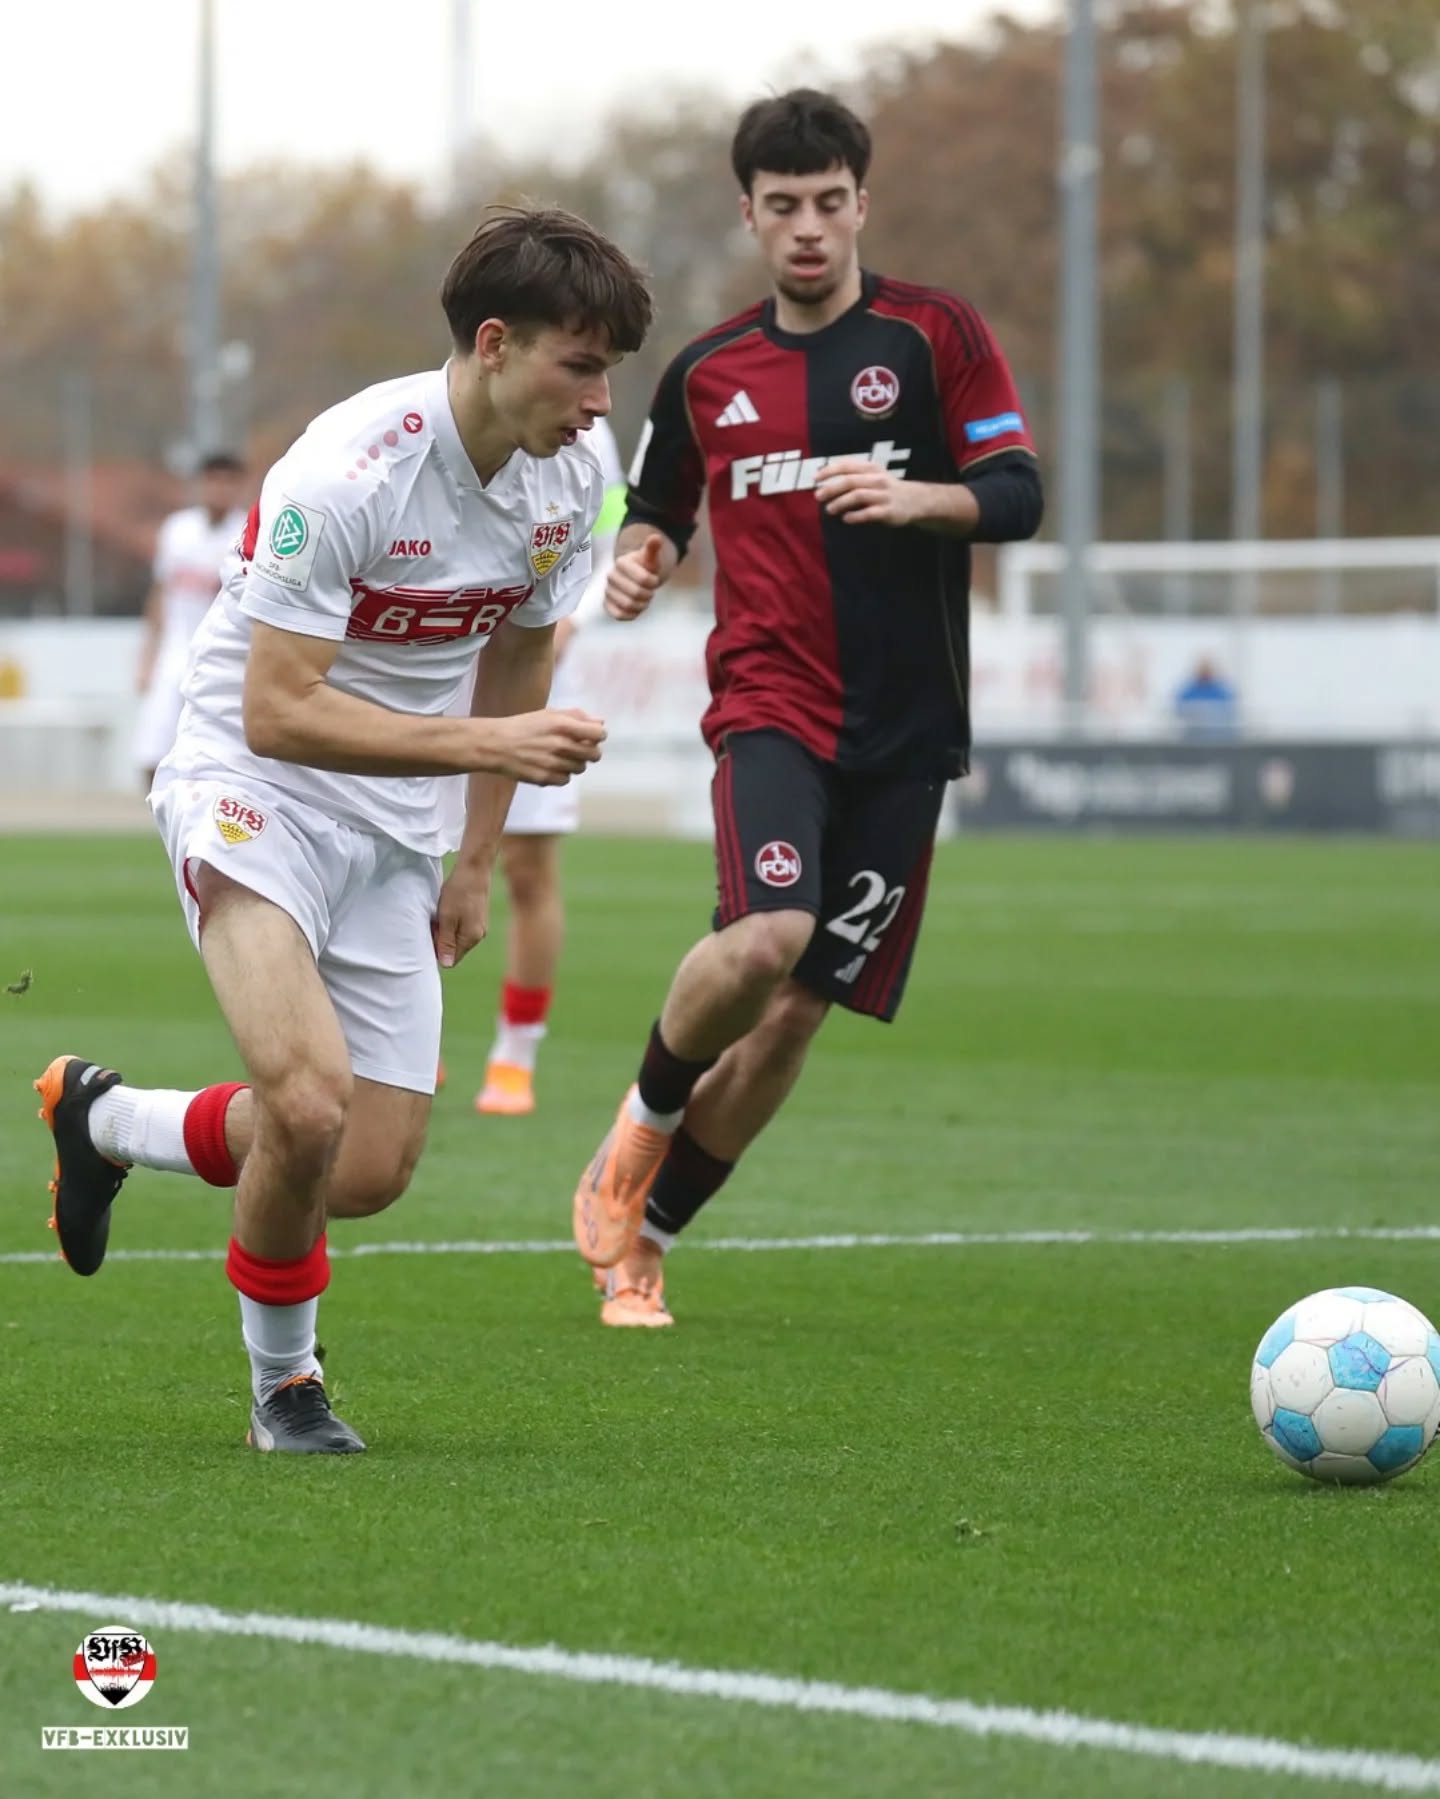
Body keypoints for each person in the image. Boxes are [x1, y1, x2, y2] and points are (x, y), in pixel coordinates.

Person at [34, 204, 652, 1451]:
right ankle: (287, 1383)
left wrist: (475, 855)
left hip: (399, 820)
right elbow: (278, 710)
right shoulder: (346, 469)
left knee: (363, 1165)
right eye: (580, 364)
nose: (599, 399)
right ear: (493, 343)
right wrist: (487, 751)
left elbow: (523, 652)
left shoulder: (579, 472)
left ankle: (106, 1121)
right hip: (250, 785)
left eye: (609, 371)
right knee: (307, 1105)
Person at [571, 89, 1043, 1328]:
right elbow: (656, 508)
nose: (809, 229)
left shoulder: (935, 336)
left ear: (860, 203)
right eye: (784, 207)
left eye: (830, 203)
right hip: (771, 703)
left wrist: (923, 500)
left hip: (909, 727)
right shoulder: (709, 371)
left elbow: (1016, 489)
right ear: (750, 214)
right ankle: (642, 1119)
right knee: (768, 934)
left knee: (792, 1018)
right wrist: (640, 558)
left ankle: (645, 1246)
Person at [470, 416, 628, 1117]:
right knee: (400, 850)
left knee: (528, 869)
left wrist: (570, 622)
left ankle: (515, 1054)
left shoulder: (595, 438)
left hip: (541, 669)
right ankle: (402, 1040)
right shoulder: (462, 411)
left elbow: (613, 549)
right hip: (444, 667)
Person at [133, 452, 251, 788]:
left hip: (224, 653)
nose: (220, 489)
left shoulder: (246, 533)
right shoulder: (178, 530)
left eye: (229, 481)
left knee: (225, 749)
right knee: (152, 746)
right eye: (213, 480)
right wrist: (146, 656)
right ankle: (158, 821)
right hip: (176, 649)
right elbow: (160, 594)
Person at [1173, 656, 1239, 741]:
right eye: (1203, 668)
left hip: (1219, 737)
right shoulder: (1189, 690)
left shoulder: (1222, 691)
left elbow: (1229, 711)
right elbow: (1179, 709)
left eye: (1207, 669)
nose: (1205, 671)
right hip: (1192, 736)